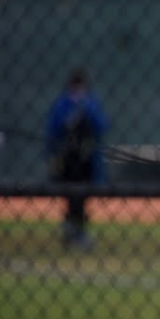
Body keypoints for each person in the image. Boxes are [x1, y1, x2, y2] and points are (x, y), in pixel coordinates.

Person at [45, 68, 108, 249]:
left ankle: (77, 231)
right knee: (70, 196)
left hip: (85, 159)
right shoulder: (62, 104)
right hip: (67, 159)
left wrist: (85, 110)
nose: (78, 92)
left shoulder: (90, 104)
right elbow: (53, 130)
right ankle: (71, 231)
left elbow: (102, 125)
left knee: (82, 196)